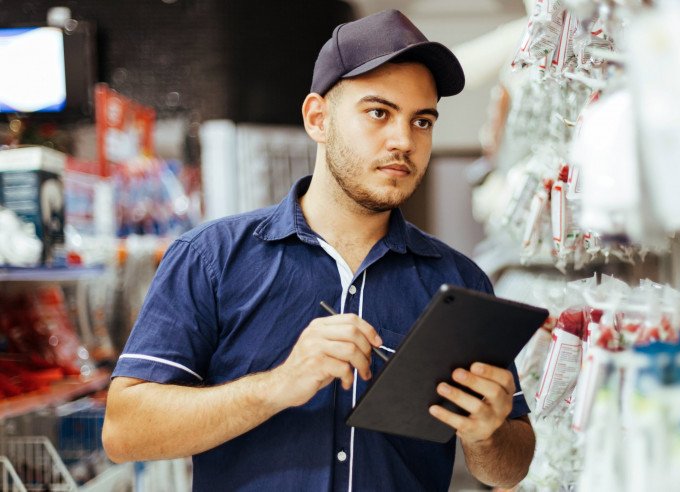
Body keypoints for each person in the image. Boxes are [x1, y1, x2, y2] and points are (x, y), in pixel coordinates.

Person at [102, 9, 535, 491]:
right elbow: (123, 432)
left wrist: (487, 434)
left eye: (422, 121)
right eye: (379, 113)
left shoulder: (460, 282)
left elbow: (510, 468)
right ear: (317, 118)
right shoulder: (210, 258)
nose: (404, 140)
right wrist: (278, 386)